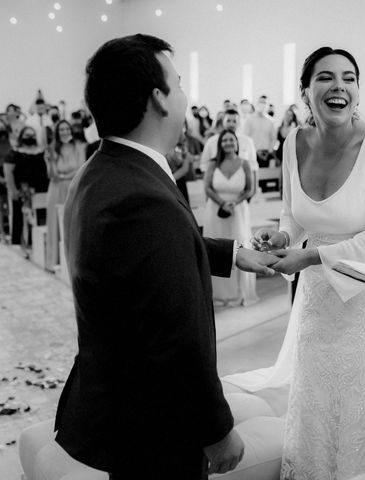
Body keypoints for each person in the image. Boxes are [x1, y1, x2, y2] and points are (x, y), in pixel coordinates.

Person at [53, 34, 278, 480]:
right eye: (178, 82)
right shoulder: (142, 198)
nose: (185, 94)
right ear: (158, 98)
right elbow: (175, 338)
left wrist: (232, 253)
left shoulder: (101, 172)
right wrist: (216, 430)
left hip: (120, 402)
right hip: (154, 421)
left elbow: (144, 264)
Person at [228, 46, 365, 479]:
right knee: (319, 410)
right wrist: (282, 236)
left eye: (349, 77)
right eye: (325, 77)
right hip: (316, 309)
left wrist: (310, 255)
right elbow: (294, 213)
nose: (339, 85)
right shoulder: (294, 143)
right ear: (306, 92)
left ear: (358, 92)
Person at [202, 129, 258, 307]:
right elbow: (208, 187)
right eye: (224, 140)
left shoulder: (245, 164)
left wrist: (235, 202)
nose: (228, 143)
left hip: (238, 210)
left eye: (231, 140)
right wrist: (222, 203)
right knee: (217, 247)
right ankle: (219, 294)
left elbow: (249, 189)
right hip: (215, 210)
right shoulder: (213, 163)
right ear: (220, 144)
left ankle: (239, 293)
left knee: (239, 245)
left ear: (236, 142)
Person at [44, 120, 85, 272]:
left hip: (73, 187)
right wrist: (51, 161)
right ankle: (54, 262)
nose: (64, 132)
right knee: (55, 224)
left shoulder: (79, 147)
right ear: (57, 132)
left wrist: (64, 175)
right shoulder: (52, 149)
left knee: (73, 223)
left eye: (67, 128)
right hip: (56, 190)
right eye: (61, 129)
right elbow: (52, 175)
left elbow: (81, 168)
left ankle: (74, 263)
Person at [3, 126, 48, 245]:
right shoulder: (15, 152)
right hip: (22, 190)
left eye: (32, 135)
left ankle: (38, 245)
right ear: (22, 136)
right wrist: (13, 190)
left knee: (40, 218)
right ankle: (22, 245)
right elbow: (8, 172)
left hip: (41, 190)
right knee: (21, 219)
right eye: (27, 135)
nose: (30, 138)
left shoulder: (41, 151)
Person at [200, 109, 258, 198]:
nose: (231, 124)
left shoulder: (247, 141)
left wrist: (254, 190)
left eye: (234, 121)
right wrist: (208, 193)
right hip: (217, 190)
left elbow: (253, 166)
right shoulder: (211, 142)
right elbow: (205, 167)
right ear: (223, 121)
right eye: (228, 120)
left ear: (239, 123)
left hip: (241, 191)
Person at [242, 95, 276, 167]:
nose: (262, 105)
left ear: (268, 105)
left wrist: (269, 152)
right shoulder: (250, 119)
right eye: (261, 102)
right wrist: (254, 151)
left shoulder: (271, 121)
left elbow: (273, 138)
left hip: (266, 155)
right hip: (252, 153)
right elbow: (246, 137)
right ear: (257, 103)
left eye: (264, 103)